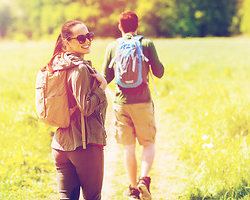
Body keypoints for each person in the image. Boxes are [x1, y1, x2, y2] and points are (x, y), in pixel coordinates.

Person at [101, 11, 164, 200]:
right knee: (148, 143)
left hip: (121, 104)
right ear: (137, 26)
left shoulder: (113, 46)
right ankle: (144, 180)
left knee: (128, 147)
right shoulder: (146, 43)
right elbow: (159, 72)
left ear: (120, 26)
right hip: (143, 102)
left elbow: (106, 77)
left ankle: (133, 189)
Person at [49, 20, 108, 200]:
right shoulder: (80, 68)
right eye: (81, 38)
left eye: (89, 36)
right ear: (66, 42)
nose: (87, 41)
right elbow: (87, 107)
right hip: (84, 145)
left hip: (60, 146)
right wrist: (102, 87)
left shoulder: (57, 64)